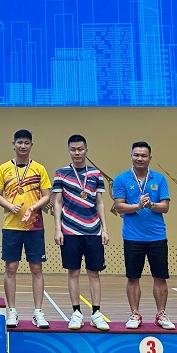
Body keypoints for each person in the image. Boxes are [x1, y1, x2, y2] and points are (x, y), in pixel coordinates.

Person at [0, 129, 53, 329]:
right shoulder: (3, 169)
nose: (23, 146)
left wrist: (33, 208)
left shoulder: (39, 169)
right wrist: (10, 207)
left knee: (36, 268)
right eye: (20, 142)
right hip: (11, 226)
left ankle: (38, 312)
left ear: (31, 145)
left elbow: (47, 196)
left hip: (35, 226)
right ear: (14, 144)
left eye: (27, 143)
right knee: (11, 268)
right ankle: (11, 311)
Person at [113, 141, 175, 330]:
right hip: (132, 237)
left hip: (157, 236)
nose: (140, 158)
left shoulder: (159, 179)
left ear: (150, 158)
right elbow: (119, 206)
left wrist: (151, 205)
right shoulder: (121, 179)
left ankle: (161, 314)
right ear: (131, 156)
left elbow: (165, 207)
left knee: (160, 277)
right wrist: (138, 206)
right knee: (133, 277)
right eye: (136, 155)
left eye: (144, 155)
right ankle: (134, 314)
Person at [53, 134, 110, 331]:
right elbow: (57, 202)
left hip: (93, 231)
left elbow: (100, 202)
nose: (77, 153)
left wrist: (104, 228)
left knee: (94, 273)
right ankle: (76, 313)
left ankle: (96, 313)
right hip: (69, 231)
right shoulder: (61, 173)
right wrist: (58, 229)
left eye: (80, 149)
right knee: (73, 272)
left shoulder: (95, 174)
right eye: (73, 149)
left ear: (86, 150)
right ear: (69, 151)